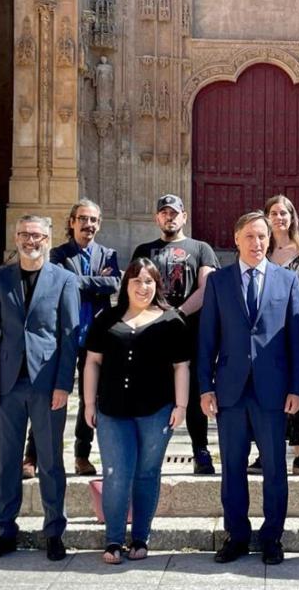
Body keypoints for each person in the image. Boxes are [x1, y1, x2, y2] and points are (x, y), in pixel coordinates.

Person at [198, 211, 299, 566]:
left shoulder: (286, 281)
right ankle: (237, 535)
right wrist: (205, 386)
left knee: (275, 467)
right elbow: (207, 339)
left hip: (272, 391)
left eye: (262, 236)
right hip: (230, 390)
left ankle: (272, 536)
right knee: (232, 467)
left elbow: (296, 338)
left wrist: (297, 387)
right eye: (250, 236)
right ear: (236, 239)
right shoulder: (218, 281)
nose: (257, 243)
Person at [0, 215, 80, 562]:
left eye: (36, 235)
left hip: (47, 384)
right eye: (24, 234)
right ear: (16, 237)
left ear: (48, 238)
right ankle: (6, 529)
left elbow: (70, 337)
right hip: (7, 385)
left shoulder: (65, 280)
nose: (30, 240)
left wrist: (64, 384)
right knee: (7, 461)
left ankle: (54, 531)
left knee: (51, 460)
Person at [83, 258, 191, 564]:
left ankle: (141, 537)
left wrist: (181, 406)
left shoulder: (172, 320)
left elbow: (181, 366)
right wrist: (89, 404)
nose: (142, 287)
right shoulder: (107, 318)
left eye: (149, 282)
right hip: (112, 411)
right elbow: (92, 361)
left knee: (146, 474)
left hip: (156, 411)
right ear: (126, 284)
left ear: (157, 285)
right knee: (117, 473)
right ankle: (114, 540)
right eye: (136, 281)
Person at [23, 198, 120, 478]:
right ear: (72, 222)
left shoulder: (108, 255)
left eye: (93, 220)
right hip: (62, 337)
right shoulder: (57, 254)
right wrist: (93, 283)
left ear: (99, 224)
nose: (88, 224)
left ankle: (82, 455)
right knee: (49, 396)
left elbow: (113, 283)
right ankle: (33, 455)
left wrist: (77, 281)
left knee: (91, 397)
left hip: (96, 338)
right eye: (83, 219)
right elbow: (56, 283)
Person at [131, 194, 219, 475]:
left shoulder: (201, 248)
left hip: (189, 332)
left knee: (193, 394)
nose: (169, 217)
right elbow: (135, 287)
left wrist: (177, 314)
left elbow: (207, 288)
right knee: (154, 392)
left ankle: (201, 450)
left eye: (174, 213)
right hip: (153, 333)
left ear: (184, 216)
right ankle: (149, 454)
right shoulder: (145, 250)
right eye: (164, 213)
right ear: (157, 217)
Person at [245, 195, 299, 476]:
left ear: (292, 217)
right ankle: (263, 453)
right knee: (263, 391)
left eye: (284, 213)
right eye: (274, 213)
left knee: (298, 387)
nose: (279, 218)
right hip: (263, 332)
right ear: (266, 217)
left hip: (297, 328)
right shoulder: (259, 251)